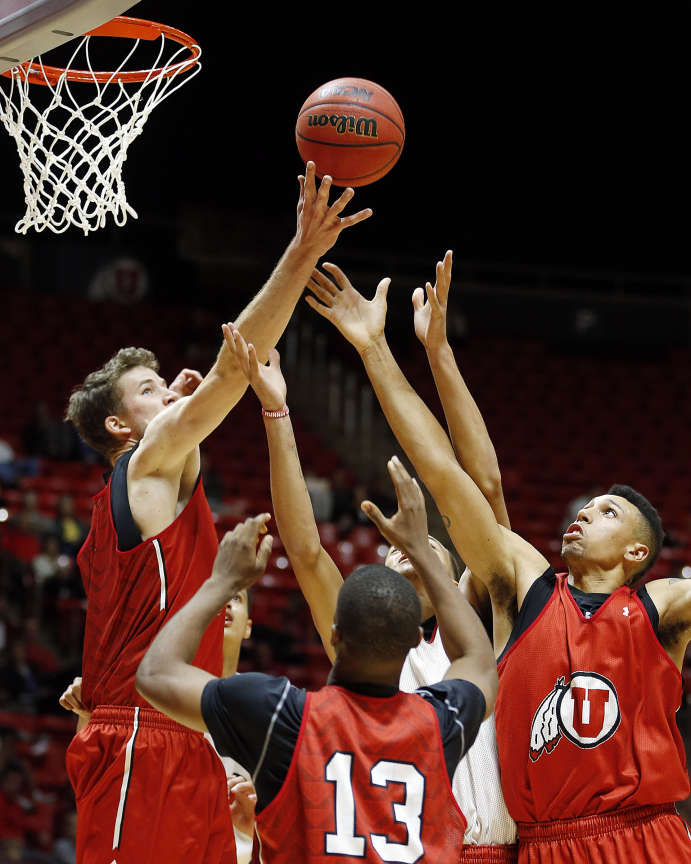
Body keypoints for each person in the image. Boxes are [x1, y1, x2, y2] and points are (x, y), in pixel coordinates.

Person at [305, 254, 691, 862]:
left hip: (643, 835)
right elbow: (450, 476)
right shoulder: (524, 588)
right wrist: (375, 348)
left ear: (640, 552)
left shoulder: (660, 604)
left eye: (609, 512)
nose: (586, 513)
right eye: (586, 506)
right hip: (539, 846)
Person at [61, 162, 371, 864]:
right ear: (121, 428)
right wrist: (301, 252)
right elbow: (237, 367)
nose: (170, 390)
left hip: (186, 732)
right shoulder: (144, 460)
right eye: (149, 390)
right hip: (145, 735)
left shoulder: (143, 489)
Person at [224, 305, 517, 861]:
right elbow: (307, 553)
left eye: (428, 546)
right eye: (393, 552)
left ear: (457, 576)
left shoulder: (482, 629)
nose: (407, 550)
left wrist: (438, 354)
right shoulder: (367, 644)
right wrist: (276, 411)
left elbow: (488, 490)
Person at [135, 456, 498, 863]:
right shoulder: (439, 720)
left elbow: (155, 674)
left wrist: (222, 583)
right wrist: (421, 550)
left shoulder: (283, 715)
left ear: (333, 634)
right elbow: (478, 662)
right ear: (411, 639)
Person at [59, 592, 257, 864]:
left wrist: (258, 823)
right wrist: (93, 710)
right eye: (217, 594)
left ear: (248, 625)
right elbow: (95, 778)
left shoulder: (267, 706)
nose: (224, 603)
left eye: (235, 597)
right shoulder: (152, 690)